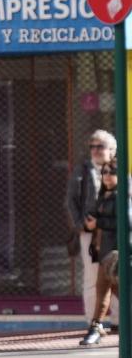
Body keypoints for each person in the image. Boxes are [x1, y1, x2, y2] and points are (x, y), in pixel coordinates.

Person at [70, 130, 117, 342]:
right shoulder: (82, 170)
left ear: (111, 150)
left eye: (100, 147)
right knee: (93, 278)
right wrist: (80, 225)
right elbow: (71, 201)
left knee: (117, 278)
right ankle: (94, 322)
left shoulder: (118, 172)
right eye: (93, 147)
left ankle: (118, 321)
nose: (95, 151)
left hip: (115, 236)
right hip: (92, 234)